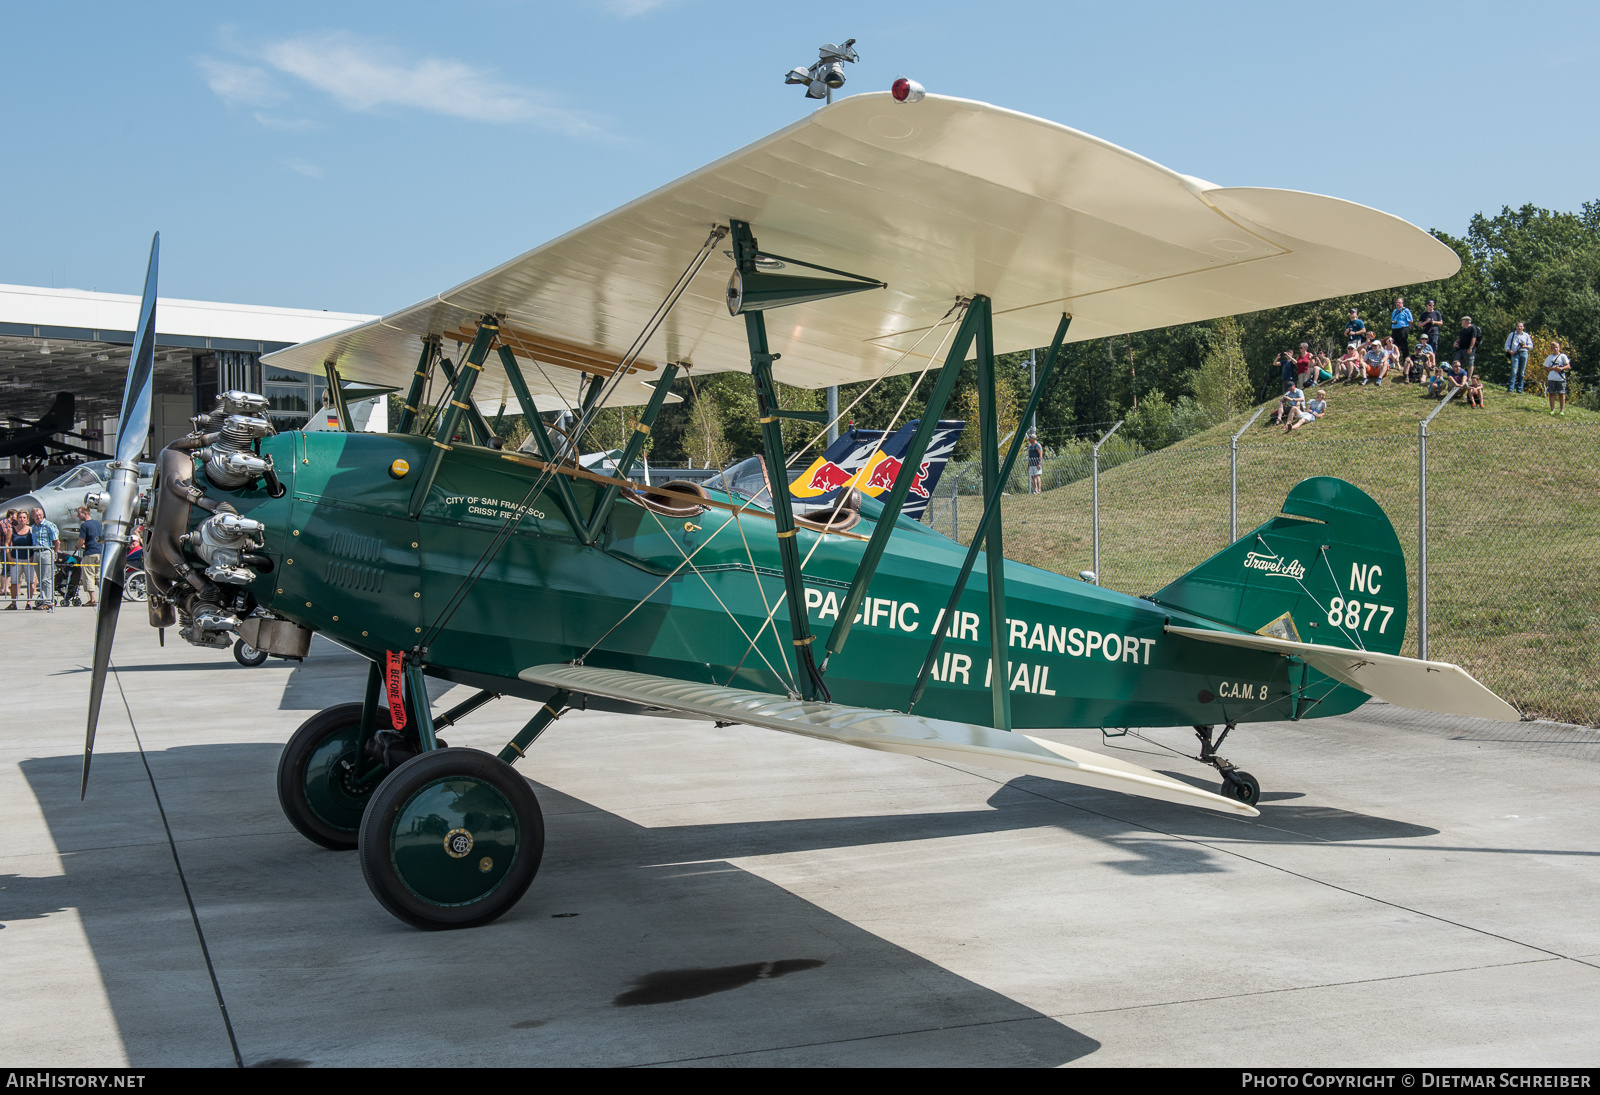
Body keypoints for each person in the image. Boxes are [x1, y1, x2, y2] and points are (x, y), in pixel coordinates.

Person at [29, 507, 59, 610]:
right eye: (36, 515)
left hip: (46, 552)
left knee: (47, 578)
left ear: (43, 515)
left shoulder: (49, 525)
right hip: (37, 553)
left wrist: (54, 553)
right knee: (41, 579)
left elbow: (56, 542)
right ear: (32, 516)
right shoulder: (34, 527)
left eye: (40, 515)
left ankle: (48, 602)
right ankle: (42, 599)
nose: (38, 517)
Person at [76, 505, 104, 607]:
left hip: (90, 552)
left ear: (86, 513)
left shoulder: (84, 525)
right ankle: (104, 597)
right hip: (100, 551)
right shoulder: (98, 523)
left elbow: (81, 541)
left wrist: (77, 546)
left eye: (79, 514)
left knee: (89, 575)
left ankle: (92, 599)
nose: (78, 516)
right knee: (98, 575)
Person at [8, 510, 33, 610]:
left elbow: (34, 544)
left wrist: (32, 556)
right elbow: (7, 543)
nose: (22, 519)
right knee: (14, 581)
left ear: (27, 520)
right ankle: (13, 603)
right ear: (17, 519)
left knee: (30, 581)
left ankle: (29, 602)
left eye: (24, 518)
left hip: (29, 559)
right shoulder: (12, 530)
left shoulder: (31, 529)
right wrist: (9, 557)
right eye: (20, 517)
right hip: (15, 558)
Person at [1544, 340, 1572, 415]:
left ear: (1559, 348)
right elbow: (1546, 368)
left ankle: (1562, 410)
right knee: (1552, 394)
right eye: (1553, 348)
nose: (1555, 349)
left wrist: (1561, 369)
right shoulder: (1549, 357)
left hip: (1561, 378)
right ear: (1551, 349)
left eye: (1556, 347)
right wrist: (1554, 368)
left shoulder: (1563, 356)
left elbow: (1568, 366)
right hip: (1551, 378)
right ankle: (1552, 409)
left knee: (1561, 394)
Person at [1504, 322, 1533, 393]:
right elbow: (1506, 345)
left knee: (1522, 372)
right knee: (1514, 371)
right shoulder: (1512, 334)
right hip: (1515, 353)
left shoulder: (1526, 335)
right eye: (1518, 326)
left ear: (1523, 327)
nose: (1519, 328)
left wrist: (1524, 346)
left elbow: (1531, 346)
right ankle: (1510, 388)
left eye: (1521, 326)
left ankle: (1519, 389)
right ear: (1516, 327)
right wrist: (1510, 351)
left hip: (1524, 353)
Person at [1390, 297, 1414, 361]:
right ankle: (1395, 361)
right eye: (1396, 302)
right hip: (1395, 329)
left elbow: (1411, 321)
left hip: (1403, 329)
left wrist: (1407, 328)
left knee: (1404, 345)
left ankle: (1406, 360)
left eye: (1399, 302)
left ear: (1402, 303)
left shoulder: (1406, 310)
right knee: (1394, 345)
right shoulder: (1394, 311)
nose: (1397, 304)